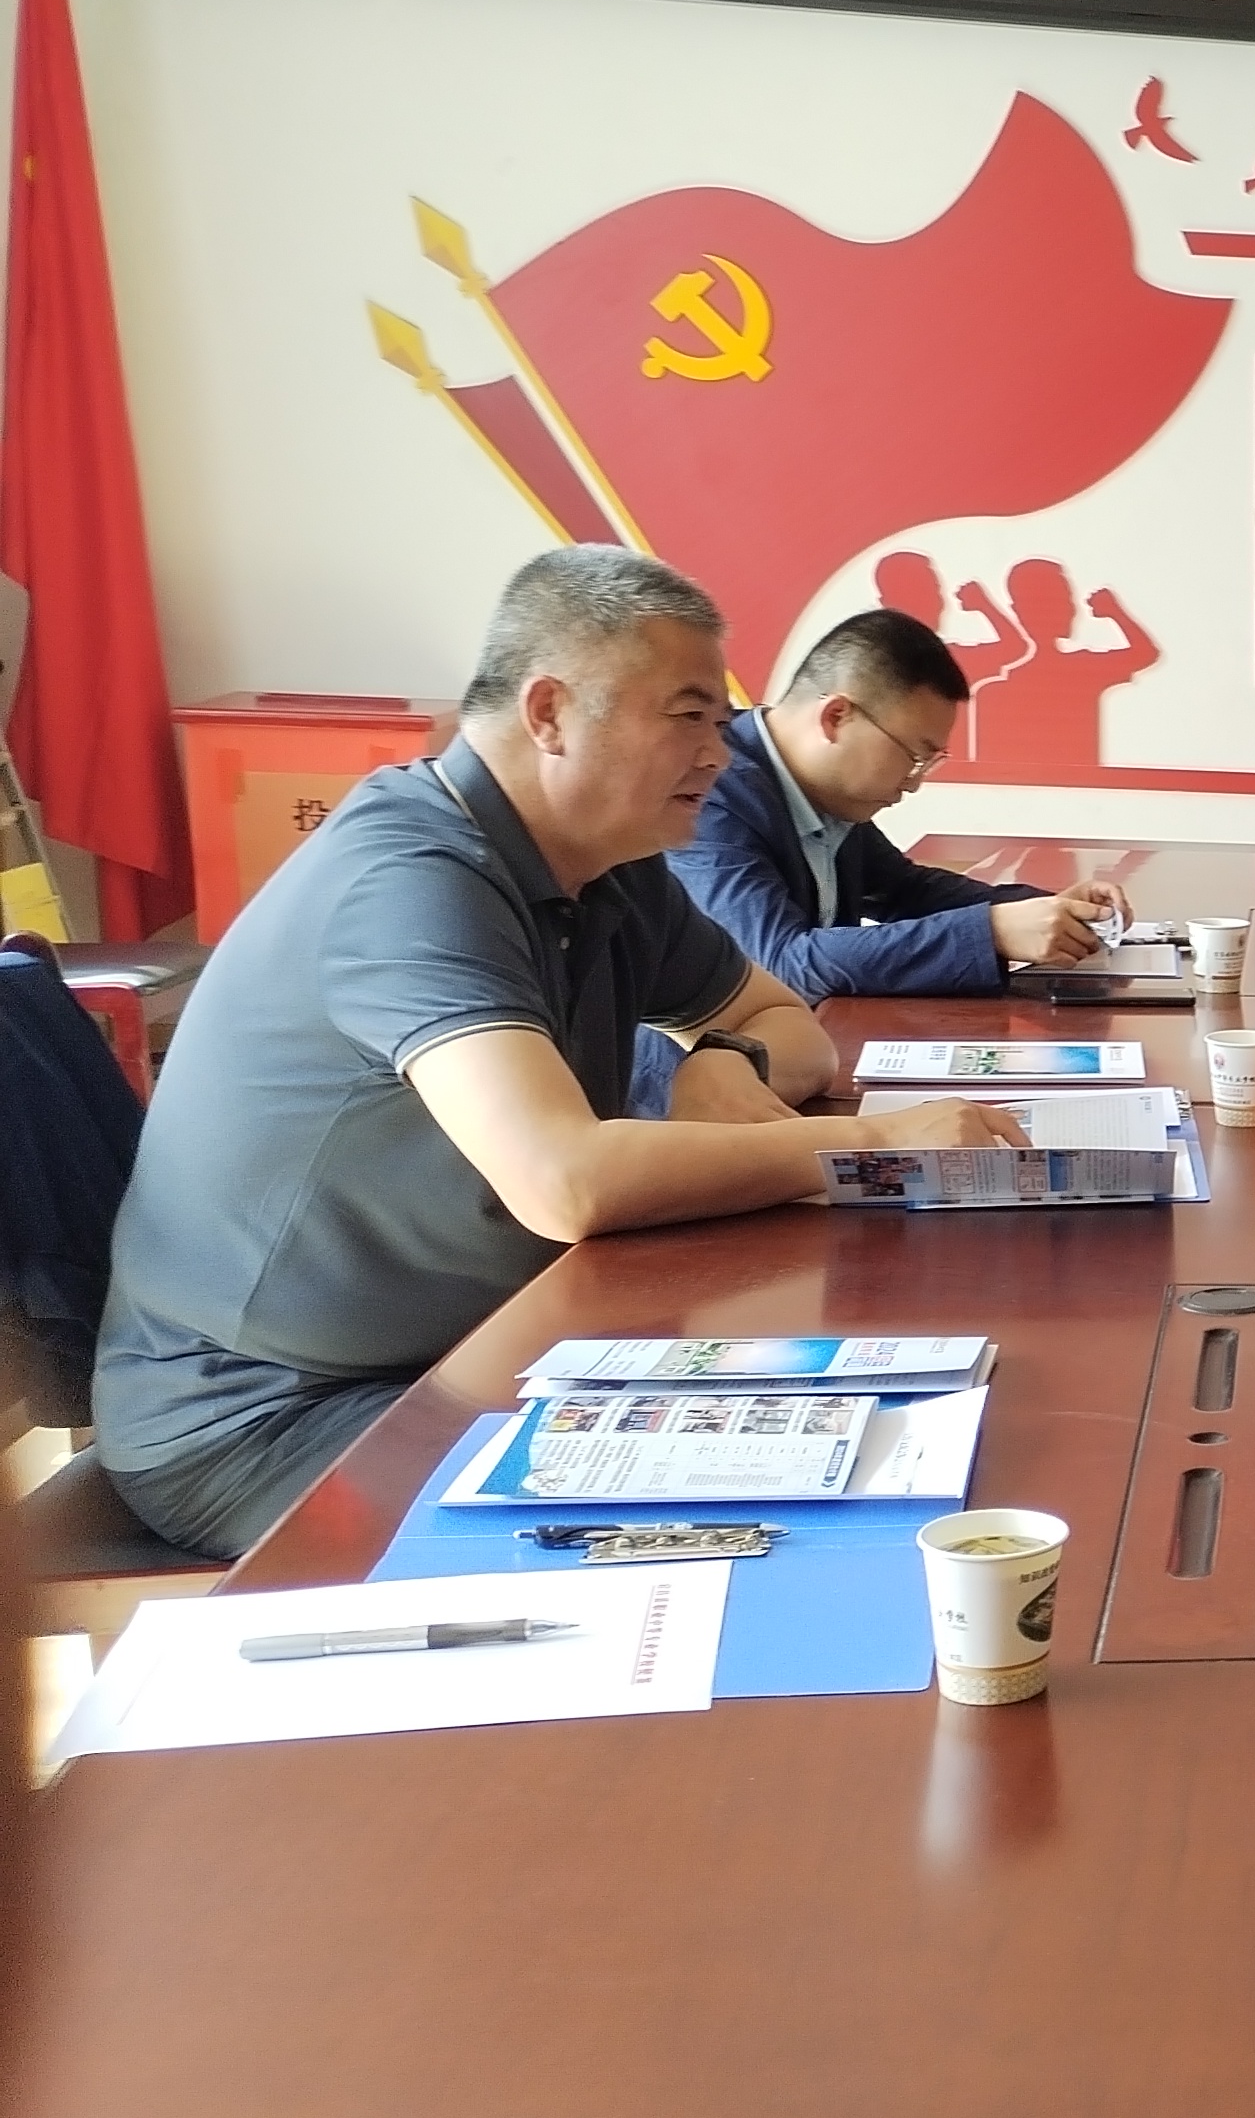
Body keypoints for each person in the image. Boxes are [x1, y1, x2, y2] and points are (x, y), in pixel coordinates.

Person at [92, 549, 1025, 1558]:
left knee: (880, 1446)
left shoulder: (610, 865)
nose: (718, 755)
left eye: (720, 722)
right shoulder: (411, 877)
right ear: (549, 713)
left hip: (493, 1346)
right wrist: (877, 1143)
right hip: (274, 1413)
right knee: (773, 1537)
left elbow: (785, 1022)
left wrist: (723, 1058)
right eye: (688, 717)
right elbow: (564, 1182)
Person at [670, 607, 1125, 995]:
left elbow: (905, 890)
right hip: (706, 1069)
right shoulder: (713, 792)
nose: (913, 784)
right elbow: (781, 964)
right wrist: (992, 932)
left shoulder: (824, 793)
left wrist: (1049, 910)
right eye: (913, 756)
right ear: (836, 717)